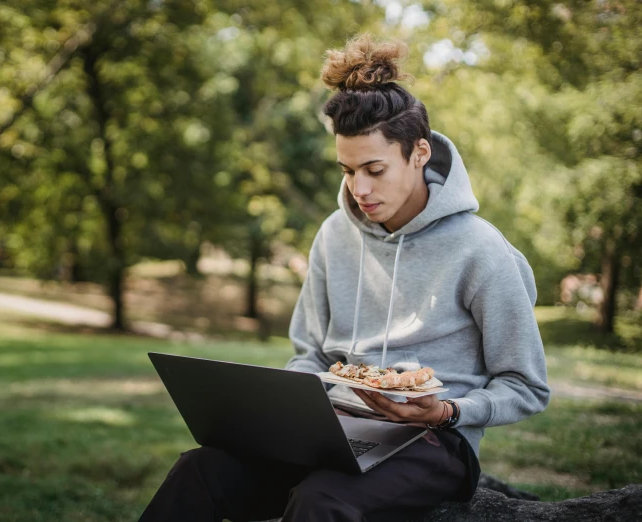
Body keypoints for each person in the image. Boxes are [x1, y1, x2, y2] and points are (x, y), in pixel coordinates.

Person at [139, 34, 550, 522]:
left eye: (375, 169)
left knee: (321, 498)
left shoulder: (482, 251)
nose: (360, 189)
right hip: (335, 430)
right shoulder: (335, 234)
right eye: (348, 171)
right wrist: (287, 414)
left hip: (436, 441)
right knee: (199, 471)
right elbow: (309, 353)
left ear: (419, 152)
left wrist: (448, 412)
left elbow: (526, 386)